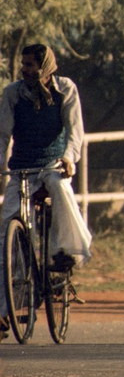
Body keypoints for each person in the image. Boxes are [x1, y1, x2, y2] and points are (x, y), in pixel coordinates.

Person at [0, 44, 90, 339]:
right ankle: (4, 309)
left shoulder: (66, 89)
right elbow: (3, 135)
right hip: (21, 169)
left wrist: (68, 158)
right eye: (23, 64)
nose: (25, 70)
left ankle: (67, 252)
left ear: (46, 66)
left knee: (60, 190)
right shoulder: (14, 93)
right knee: (6, 231)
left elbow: (75, 130)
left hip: (53, 164)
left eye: (30, 65)